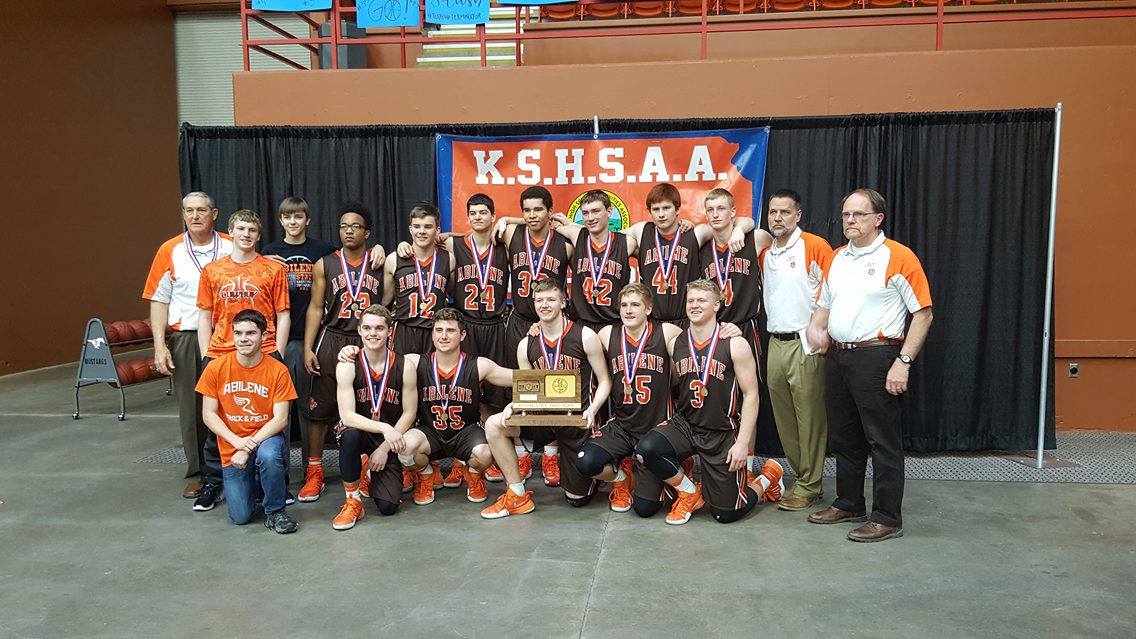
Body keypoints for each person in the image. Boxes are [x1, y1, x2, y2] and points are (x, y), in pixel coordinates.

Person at [806, 188, 932, 543]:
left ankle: (888, 517)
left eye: (858, 214)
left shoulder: (899, 256)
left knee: (882, 440)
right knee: (844, 436)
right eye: (846, 214)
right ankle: (849, 503)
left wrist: (903, 362)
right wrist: (817, 328)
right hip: (838, 356)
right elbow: (824, 303)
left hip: (877, 357)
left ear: (878, 219)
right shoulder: (836, 257)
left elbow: (923, 314)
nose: (850, 220)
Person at [635, 279, 783, 525]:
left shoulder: (735, 344)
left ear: (716, 305)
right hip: (686, 424)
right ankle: (689, 491)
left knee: (725, 514)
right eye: (691, 301)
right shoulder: (676, 343)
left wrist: (743, 444)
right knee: (647, 448)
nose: (694, 305)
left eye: (701, 300)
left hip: (721, 431)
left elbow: (751, 396)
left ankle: (766, 479)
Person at [480, 280, 611, 519]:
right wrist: (514, 404)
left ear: (563, 302)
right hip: (543, 417)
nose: (545, 305)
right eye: (539, 300)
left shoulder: (585, 336)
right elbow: (529, 387)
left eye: (551, 299)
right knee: (494, 424)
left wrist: (593, 409)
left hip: (577, 421)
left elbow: (604, 381)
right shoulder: (526, 344)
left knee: (576, 499)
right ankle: (517, 495)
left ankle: (595, 477)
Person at [195, 209, 290, 512]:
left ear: (258, 235)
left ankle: (277, 482)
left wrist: (278, 352)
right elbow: (205, 315)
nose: (246, 234)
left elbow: (283, 314)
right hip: (221, 352)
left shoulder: (272, 270)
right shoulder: (213, 270)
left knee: (272, 418)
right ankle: (214, 481)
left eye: (251, 230)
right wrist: (206, 355)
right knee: (218, 422)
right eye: (241, 229)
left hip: (265, 350)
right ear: (231, 232)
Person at [142, 192, 233, 499]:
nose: (195, 216)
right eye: (189, 210)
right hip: (188, 337)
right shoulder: (170, 250)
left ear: (214, 213)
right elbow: (159, 299)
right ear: (183, 214)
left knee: (234, 403)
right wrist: (160, 346)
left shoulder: (232, 244)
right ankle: (200, 472)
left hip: (231, 336)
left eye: (202, 210)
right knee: (192, 408)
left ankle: (235, 467)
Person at [298, 205, 385, 502]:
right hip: (332, 336)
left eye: (356, 226)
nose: (349, 231)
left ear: (367, 232)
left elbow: (387, 303)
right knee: (319, 409)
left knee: (369, 405)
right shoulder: (325, 263)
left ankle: (366, 467)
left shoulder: (379, 262)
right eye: (344, 226)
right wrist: (308, 347)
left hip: (367, 340)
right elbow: (315, 307)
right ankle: (314, 470)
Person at [493, 186, 574, 487]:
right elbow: (473, 232)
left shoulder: (565, 241)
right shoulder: (511, 234)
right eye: (526, 210)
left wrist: (565, 222)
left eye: (538, 209)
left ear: (550, 211)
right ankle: (522, 452)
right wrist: (507, 219)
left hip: (551, 323)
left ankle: (551, 453)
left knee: (552, 388)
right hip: (520, 320)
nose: (531, 215)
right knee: (521, 390)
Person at [575, 283, 679, 516]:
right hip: (622, 424)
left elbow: (698, 346)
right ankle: (622, 479)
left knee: (645, 509)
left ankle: (672, 464)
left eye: (635, 305)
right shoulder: (607, 334)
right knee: (586, 461)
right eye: (624, 305)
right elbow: (575, 343)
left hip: (656, 429)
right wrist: (540, 328)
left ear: (648, 309)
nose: (628, 310)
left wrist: (728, 329)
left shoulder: (667, 332)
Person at [758, 189, 833, 511]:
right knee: (784, 418)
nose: (778, 218)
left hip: (805, 342)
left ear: (798, 215)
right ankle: (803, 477)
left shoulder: (814, 246)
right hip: (775, 341)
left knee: (809, 418)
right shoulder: (765, 253)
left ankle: (810, 484)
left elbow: (834, 289)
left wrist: (821, 328)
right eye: (773, 212)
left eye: (785, 212)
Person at [395, 308, 515, 507]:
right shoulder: (415, 362)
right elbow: (379, 362)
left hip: (465, 433)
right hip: (430, 431)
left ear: (462, 335)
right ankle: (426, 474)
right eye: (439, 330)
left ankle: (473, 474)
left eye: (450, 331)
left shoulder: (479, 365)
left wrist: (555, 377)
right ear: (432, 334)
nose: (443, 336)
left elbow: (516, 378)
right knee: (405, 448)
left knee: (486, 453)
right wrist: (352, 352)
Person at [195, 309, 299, 533]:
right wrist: (237, 442)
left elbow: (281, 419)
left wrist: (247, 447)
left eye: (251, 333)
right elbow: (208, 415)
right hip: (232, 446)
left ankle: (276, 512)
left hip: (265, 439)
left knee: (269, 455)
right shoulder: (216, 368)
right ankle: (257, 485)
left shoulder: (278, 371)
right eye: (238, 333)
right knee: (240, 517)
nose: (243, 339)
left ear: (264, 336)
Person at [260, 197, 335, 484]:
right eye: (288, 217)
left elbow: (351, 260)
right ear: (281, 220)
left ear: (308, 220)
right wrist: (261, 262)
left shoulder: (322, 251)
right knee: (280, 408)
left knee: (308, 407)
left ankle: (310, 468)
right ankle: (278, 471)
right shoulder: (269, 252)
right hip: (279, 340)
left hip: (311, 339)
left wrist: (377, 249)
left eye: (298, 216)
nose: (293, 222)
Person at [331, 305, 417, 530]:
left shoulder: (405, 365)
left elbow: (409, 412)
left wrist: (385, 448)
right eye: (367, 328)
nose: (373, 333)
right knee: (349, 436)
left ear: (390, 331)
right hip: (360, 431)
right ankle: (353, 500)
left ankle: (370, 470)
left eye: (379, 328)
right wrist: (385, 428)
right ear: (359, 330)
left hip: (388, 441)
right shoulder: (347, 365)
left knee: (388, 507)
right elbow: (347, 416)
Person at [623, 183, 753, 327]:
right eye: (656, 209)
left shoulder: (696, 233)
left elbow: (733, 223)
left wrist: (739, 229)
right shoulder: (642, 231)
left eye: (666, 208)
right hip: (652, 321)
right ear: (649, 212)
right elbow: (611, 240)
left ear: (678, 209)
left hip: (686, 321)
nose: (661, 214)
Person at [545, 189, 638, 333]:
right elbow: (542, 221)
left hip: (615, 325)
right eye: (585, 213)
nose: (590, 218)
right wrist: (505, 220)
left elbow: (653, 233)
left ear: (609, 212)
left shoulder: (626, 242)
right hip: (582, 324)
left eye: (595, 211)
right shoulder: (577, 235)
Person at [383, 203, 452, 356]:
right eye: (417, 226)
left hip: (435, 332)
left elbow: (474, 236)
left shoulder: (449, 259)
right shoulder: (394, 259)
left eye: (428, 227)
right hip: (403, 331)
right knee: (401, 371)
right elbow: (384, 302)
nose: (421, 231)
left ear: (437, 230)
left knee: (433, 372)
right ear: (410, 229)